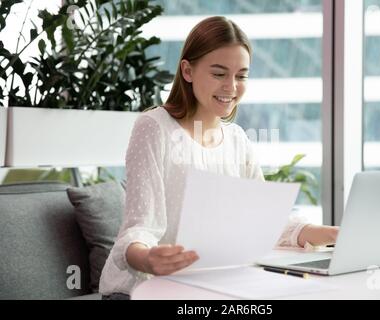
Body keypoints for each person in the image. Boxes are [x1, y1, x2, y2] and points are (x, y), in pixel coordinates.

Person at [99, 16, 338, 299]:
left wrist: (333, 234)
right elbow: (138, 229)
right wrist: (149, 258)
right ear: (187, 71)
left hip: (211, 286)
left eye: (241, 76)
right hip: (143, 288)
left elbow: (265, 221)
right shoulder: (154, 127)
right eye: (219, 73)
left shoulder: (237, 138)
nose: (232, 87)